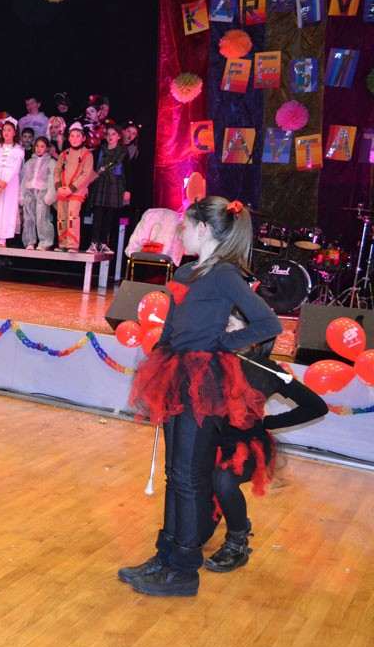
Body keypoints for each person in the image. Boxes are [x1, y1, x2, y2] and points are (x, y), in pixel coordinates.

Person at [122, 197, 283, 597]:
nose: (181, 232)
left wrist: (222, 343)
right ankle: (166, 554)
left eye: (186, 225)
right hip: (174, 374)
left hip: (204, 382)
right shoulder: (186, 271)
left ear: (204, 229)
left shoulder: (225, 275)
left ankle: (184, 569)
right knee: (174, 474)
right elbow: (173, 323)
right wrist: (161, 354)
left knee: (190, 478)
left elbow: (268, 323)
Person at [203, 318, 327, 572]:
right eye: (223, 325)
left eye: (233, 326)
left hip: (248, 446)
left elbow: (316, 406)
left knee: (224, 479)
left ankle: (237, 543)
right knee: (195, 534)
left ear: (253, 336)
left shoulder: (267, 370)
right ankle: (228, 514)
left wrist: (269, 422)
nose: (226, 331)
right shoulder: (208, 361)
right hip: (210, 444)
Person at [54, 122, 95, 252]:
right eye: (72, 136)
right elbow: (57, 171)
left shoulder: (87, 155)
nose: (75, 139)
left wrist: (71, 188)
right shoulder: (64, 154)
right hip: (62, 191)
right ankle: (62, 243)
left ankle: (72, 244)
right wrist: (58, 186)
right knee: (61, 217)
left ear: (83, 138)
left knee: (72, 217)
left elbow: (86, 174)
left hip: (76, 191)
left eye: (78, 136)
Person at [88, 125, 130, 254]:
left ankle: (104, 243)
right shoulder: (100, 150)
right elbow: (94, 169)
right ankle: (94, 242)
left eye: (113, 134)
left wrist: (127, 190)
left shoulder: (123, 152)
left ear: (119, 136)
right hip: (100, 183)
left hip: (115, 184)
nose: (110, 137)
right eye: (108, 134)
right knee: (98, 214)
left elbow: (127, 172)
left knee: (109, 215)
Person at [0, 119, 25, 247]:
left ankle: (3, 238)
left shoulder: (18, 150)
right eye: (4, 130)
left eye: (9, 130)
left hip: (10, 182)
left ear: (14, 132)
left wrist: (5, 182)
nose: (6, 132)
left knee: (7, 208)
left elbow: (15, 168)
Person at [19, 137, 56, 250]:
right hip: (29, 192)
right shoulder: (29, 162)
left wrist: (50, 194)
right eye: (37, 146)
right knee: (28, 217)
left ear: (47, 148)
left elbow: (53, 180)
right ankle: (29, 241)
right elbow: (24, 179)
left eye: (42, 146)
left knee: (42, 217)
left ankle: (45, 242)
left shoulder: (51, 162)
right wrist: (21, 194)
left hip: (42, 193)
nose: (39, 149)